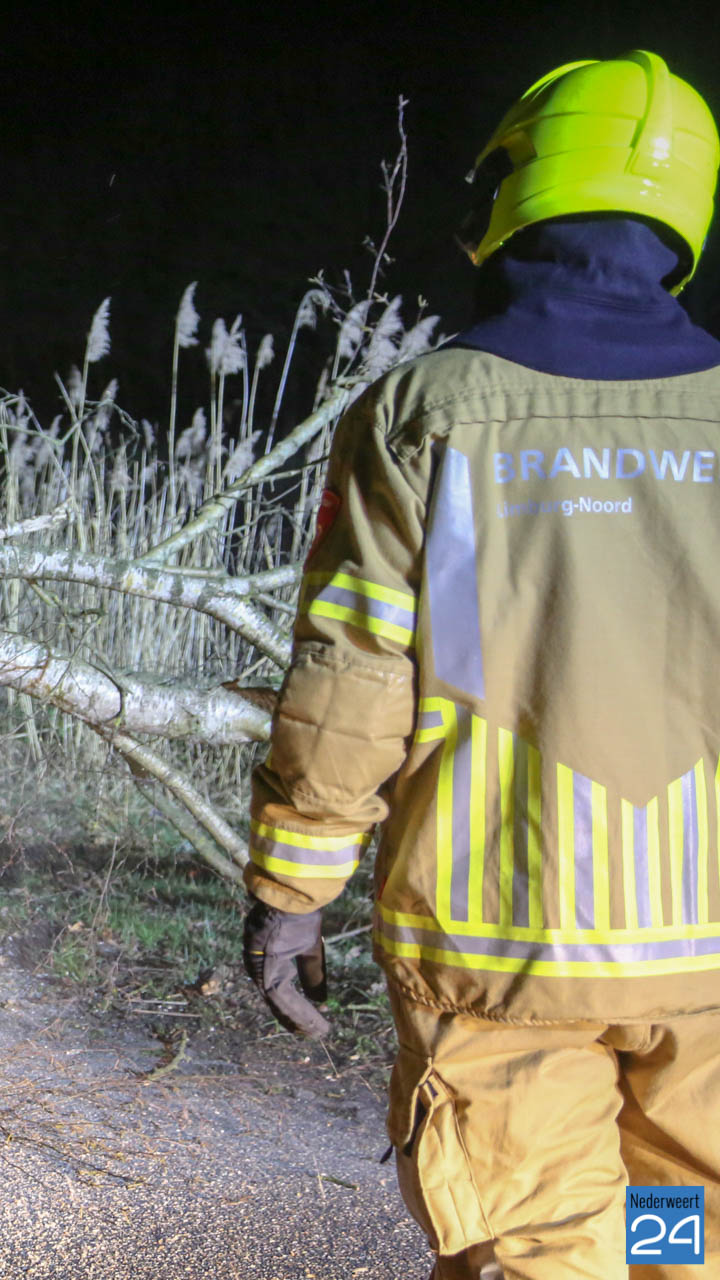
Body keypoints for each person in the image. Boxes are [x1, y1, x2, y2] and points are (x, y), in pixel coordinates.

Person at [243, 51, 720, 1278]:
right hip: (708, 968)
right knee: (679, 1229)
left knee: (544, 1244)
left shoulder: (428, 411)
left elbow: (356, 673)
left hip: (500, 945)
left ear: (515, 185)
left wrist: (295, 886)